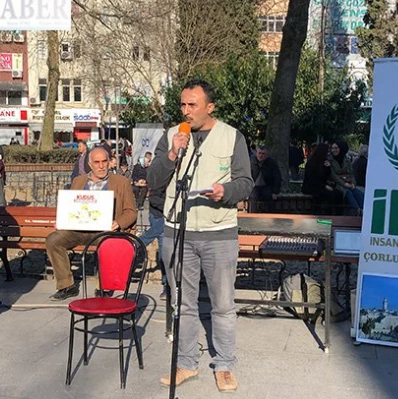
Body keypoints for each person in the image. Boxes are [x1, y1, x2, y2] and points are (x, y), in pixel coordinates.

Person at [148, 79, 253, 393]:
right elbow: (153, 179)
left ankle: (224, 365)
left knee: (222, 304)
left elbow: (246, 183)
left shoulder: (232, 137)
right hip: (177, 230)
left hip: (218, 232)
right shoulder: (172, 136)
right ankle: (186, 363)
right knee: (183, 302)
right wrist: (170, 156)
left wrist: (226, 191)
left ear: (210, 107)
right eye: (182, 104)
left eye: (192, 105)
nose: (186, 110)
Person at [45, 147, 137, 301]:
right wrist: (62, 220)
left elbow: (131, 212)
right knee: (53, 240)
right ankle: (67, 285)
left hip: (105, 231)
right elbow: (72, 207)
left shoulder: (121, 182)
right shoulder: (78, 181)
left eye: (104, 161)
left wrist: (118, 222)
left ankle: (104, 286)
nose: (101, 166)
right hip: (78, 230)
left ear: (109, 163)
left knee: (108, 244)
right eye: (97, 162)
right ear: (90, 164)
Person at [302, 143, 343, 214]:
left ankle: (338, 214)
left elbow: (326, 176)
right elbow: (312, 179)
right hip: (311, 186)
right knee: (329, 195)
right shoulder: (311, 163)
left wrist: (328, 167)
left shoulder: (324, 162)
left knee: (339, 194)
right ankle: (328, 214)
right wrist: (325, 186)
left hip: (321, 185)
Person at [329, 140, 364, 214]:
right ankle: (357, 210)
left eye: (336, 148)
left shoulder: (347, 160)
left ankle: (364, 210)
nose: (334, 150)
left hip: (349, 182)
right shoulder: (330, 160)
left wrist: (353, 184)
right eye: (332, 148)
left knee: (358, 192)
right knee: (348, 193)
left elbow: (351, 174)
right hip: (338, 184)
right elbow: (333, 176)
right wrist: (344, 184)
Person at [249, 145, 281, 213]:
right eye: (259, 153)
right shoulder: (251, 161)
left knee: (269, 197)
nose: (261, 156)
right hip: (254, 186)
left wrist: (275, 192)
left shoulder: (272, 163)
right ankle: (252, 216)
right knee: (252, 197)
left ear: (267, 155)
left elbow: (277, 177)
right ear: (256, 153)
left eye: (263, 154)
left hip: (266, 186)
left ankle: (269, 216)